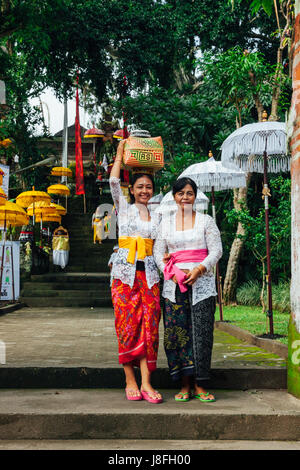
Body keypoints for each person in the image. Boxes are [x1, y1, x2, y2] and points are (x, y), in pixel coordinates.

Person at [153, 177, 222, 402]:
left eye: (189, 193)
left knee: (201, 333)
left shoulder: (206, 221)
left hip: (202, 284)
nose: (185, 197)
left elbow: (216, 251)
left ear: (195, 196)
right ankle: (184, 384)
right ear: (174, 197)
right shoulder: (165, 223)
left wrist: (200, 269)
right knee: (176, 333)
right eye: (181, 193)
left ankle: (201, 384)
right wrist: (169, 272)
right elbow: (157, 252)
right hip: (174, 286)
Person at [109, 139, 162, 404]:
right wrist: (120, 153)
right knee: (127, 327)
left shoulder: (158, 214)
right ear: (132, 189)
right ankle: (129, 379)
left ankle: (146, 383)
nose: (144, 190)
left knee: (149, 328)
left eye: (148, 187)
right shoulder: (124, 209)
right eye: (140, 186)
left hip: (150, 277)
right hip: (124, 277)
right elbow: (113, 183)